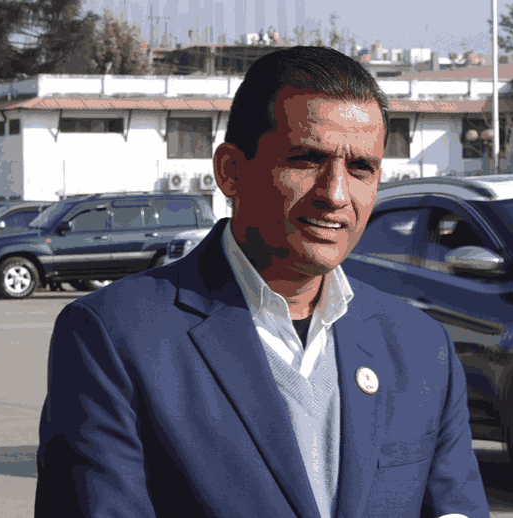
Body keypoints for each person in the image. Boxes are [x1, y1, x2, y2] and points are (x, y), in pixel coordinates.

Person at [35, 46, 489, 518]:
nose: (336, 193)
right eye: (307, 159)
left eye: (361, 168)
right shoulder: (115, 337)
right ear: (230, 172)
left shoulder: (420, 347)